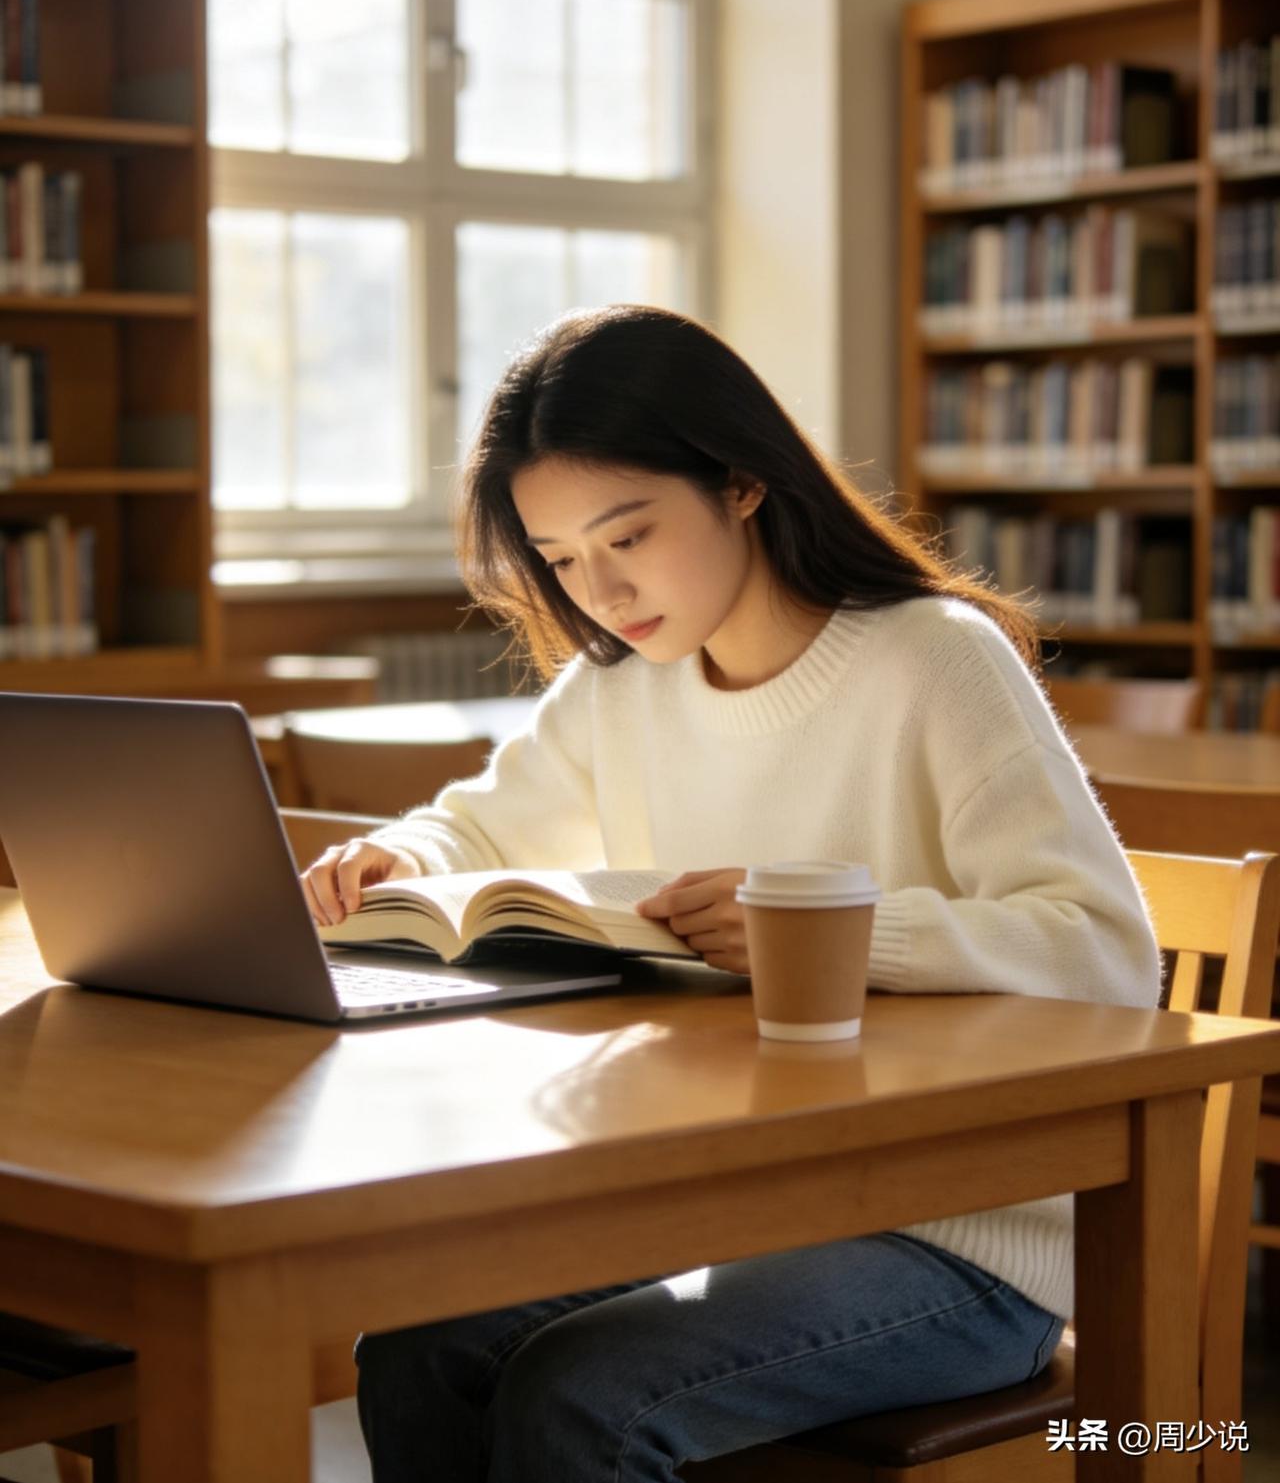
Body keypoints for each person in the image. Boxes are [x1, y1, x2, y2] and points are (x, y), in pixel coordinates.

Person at [300, 304, 1160, 1483]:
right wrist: (398, 857)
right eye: (560, 560)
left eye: (627, 534)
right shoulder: (625, 685)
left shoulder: (932, 657)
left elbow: (1104, 950)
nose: (601, 590)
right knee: (415, 1347)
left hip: (960, 1235)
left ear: (742, 482)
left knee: (580, 1400)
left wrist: (831, 933)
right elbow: (480, 825)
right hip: (738, 1202)